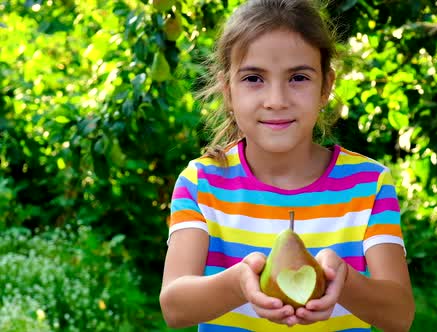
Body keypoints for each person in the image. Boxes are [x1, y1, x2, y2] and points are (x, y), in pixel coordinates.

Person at [159, 0, 415, 331]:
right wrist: (239, 283)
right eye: (253, 78)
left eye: (298, 77)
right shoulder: (202, 183)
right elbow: (175, 308)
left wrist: (344, 281)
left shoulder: (369, 185)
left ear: (326, 86)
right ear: (228, 90)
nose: (276, 99)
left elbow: (400, 315)